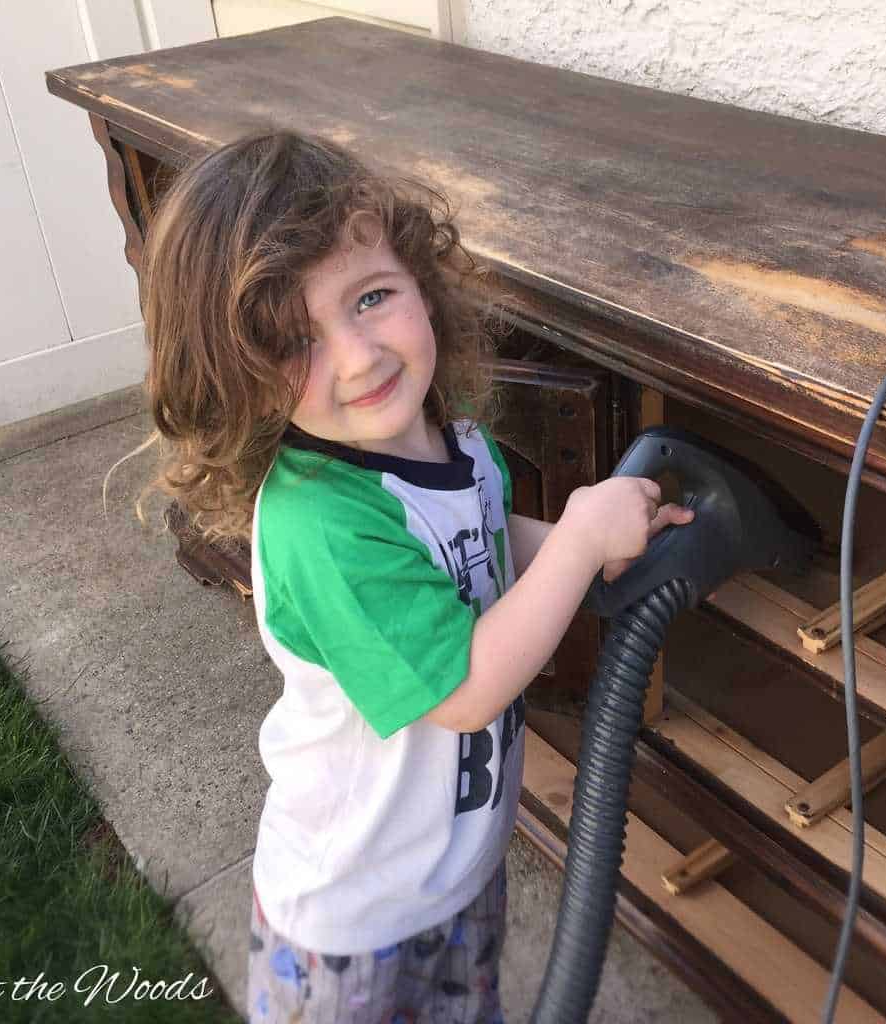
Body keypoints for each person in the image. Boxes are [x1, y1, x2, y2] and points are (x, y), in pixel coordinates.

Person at [125, 130, 692, 1023]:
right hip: (354, 923)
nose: (357, 357)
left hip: (451, 869)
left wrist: (564, 541)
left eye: (372, 297)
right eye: (291, 341)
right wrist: (581, 543)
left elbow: (481, 535)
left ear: (422, 282)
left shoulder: (444, 435)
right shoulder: (321, 525)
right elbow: (463, 689)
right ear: (235, 376)